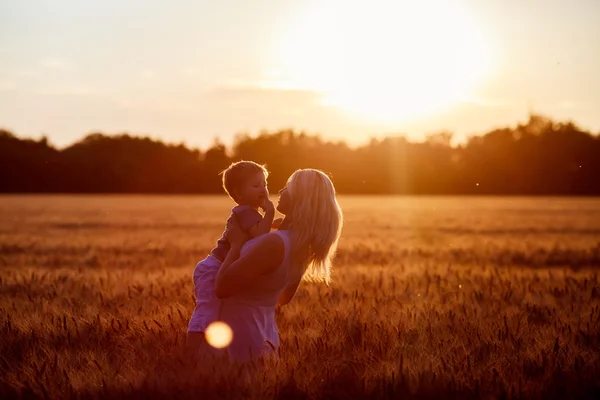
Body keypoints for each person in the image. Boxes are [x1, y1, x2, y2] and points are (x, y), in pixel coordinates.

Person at [211, 168, 343, 362]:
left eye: (288, 188)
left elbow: (221, 288)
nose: (280, 191)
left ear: (301, 198)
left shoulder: (274, 244)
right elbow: (283, 298)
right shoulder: (302, 248)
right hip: (266, 337)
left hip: (238, 337)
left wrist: (236, 245)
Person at [186, 161, 278, 348]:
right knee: (207, 311)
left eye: (264, 184)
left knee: (214, 311)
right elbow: (260, 235)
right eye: (255, 185)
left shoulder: (249, 213)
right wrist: (270, 213)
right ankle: (193, 347)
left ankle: (207, 350)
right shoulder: (245, 212)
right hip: (214, 268)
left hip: (217, 265)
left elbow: (257, 232)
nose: (263, 189)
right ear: (238, 193)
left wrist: (273, 224)